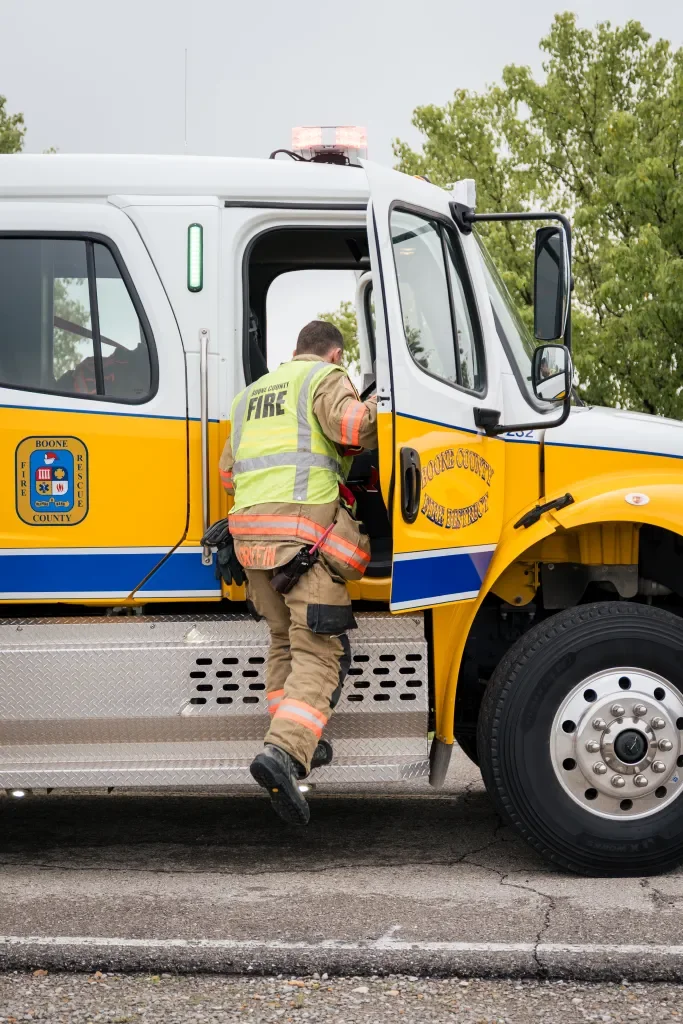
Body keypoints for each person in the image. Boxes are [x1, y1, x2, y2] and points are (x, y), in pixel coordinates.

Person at [219, 320, 378, 825]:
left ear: (295, 350)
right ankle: (284, 753)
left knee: (284, 640)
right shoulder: (323, 379)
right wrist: (383, 405)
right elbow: (354, 428)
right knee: (319, 651)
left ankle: (292, 736)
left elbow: (229, 473)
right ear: (334, 355)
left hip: (251, 545)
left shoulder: (250, 396)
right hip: (301, 543)